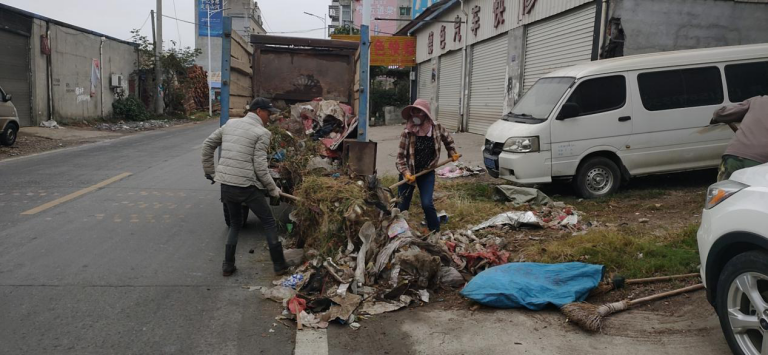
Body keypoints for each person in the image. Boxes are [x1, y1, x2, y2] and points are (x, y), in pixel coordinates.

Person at [201, 97, 288, 277]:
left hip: (226, 184)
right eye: (268, 113)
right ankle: (280, 265)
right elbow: (260, 168)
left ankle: (228, 266)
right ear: (258, 112)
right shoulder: (262, 133)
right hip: (246, 186)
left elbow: (208, 144)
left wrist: (210, 171)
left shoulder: (230, 124)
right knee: (269, 222)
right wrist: (273, 189)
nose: (269, 117)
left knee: (234, 224)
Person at [395, 99, 460, 233]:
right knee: (402, 206)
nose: (416, 115)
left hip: (427, 172)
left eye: (419, 112)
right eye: (414, 112)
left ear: (426, 114)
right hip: (409, 173)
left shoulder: (436, 128)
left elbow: (448, 139)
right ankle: (399, 233)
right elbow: (400, 158)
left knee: (427, 203)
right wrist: (406, 173)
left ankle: (435, 231)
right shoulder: (407, 132)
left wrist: (452, 152)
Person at [710, 95, 768, 181]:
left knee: (726, 191)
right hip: (760, 162)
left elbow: (720, 114)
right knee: (755, 193)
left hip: (735, 155)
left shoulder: (757, 100)